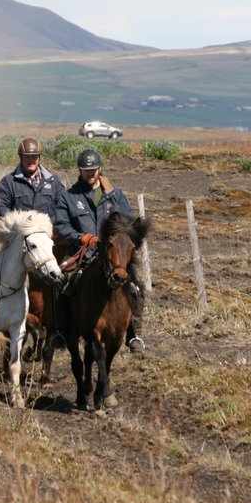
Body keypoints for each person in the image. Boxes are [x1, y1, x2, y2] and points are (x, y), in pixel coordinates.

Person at [53, 148, 146, 353]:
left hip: (113, 252)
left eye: (94, 169)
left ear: (100, 169)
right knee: (61, 281)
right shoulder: (69, 197)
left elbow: (128, 223)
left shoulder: (115, 195)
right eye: (86, 170)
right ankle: (60, 332)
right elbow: (61, 225)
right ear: (79, 170)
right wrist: (80, 237)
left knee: (136, 286)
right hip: (81, 251)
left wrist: (117, 240)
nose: (90, 173)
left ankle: (134, 334)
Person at [0, 137, 66, 220]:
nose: (31, 160)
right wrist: (17, 222)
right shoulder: (8, 182)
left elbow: (63, 206)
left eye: (34, 157)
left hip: (48, 227)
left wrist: (50, 223)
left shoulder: (53, 181)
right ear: (21, 157)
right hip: (20, 227)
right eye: (27, 157)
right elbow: (1, 207)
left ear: (39, 158)